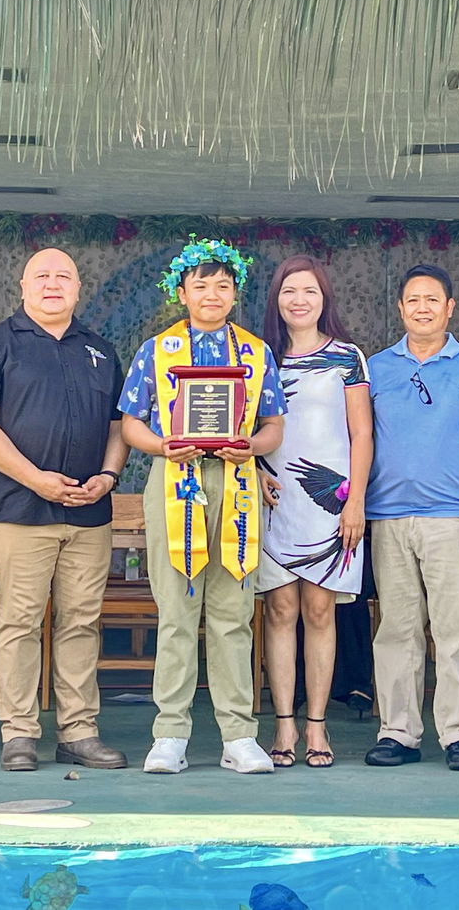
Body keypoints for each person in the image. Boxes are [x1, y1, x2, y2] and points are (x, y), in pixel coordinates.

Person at [0, 248, 130, 773]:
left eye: (63, 276)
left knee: (81, 622)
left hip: (88, 514)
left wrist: (108, 476)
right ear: (23, 285)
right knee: (19, 622)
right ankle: (20, 733)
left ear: (78, 288)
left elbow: (120, 426)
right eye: (42, 276)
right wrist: (37, 481)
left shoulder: (99, 350)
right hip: (17, 511)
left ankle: (79, 731)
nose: (52, 284)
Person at [119, 236, 287, 774]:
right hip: (176, 481)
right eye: (201, 285)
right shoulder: (157, 349)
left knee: (233, 612)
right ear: (182, 292)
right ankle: (170, 732)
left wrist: (253, 448)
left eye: (222, 285)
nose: (212, 293)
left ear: (235, 293)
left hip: (236, 482)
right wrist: (163, 445)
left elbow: (274, 425)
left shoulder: (256, 352)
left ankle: (238, 734)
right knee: (176, 610)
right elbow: (130, 423)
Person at [363, 263, 459, 773]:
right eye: (413, 300)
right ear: (400, 308)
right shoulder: (376, 368)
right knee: (398, 629)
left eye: (432, 300)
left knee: (454, 629)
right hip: (388, 517)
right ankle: (397, 731)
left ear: (450, 308)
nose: (422, 308)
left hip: (452, 518)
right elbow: (358, 442)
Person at [255, 255, 371, 769]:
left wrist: (357, 503)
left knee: (320, 612)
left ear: (325, 298)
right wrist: (254, 468)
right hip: (274, 500)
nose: (298, 300)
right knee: (279, 612)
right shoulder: (259, 357)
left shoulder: (348, 356)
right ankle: (283, 721)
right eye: (288, 291)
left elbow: (363, 433)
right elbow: (244, 426)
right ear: (275, 299)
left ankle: (318, 726)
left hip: (333, 502)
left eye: (309, 291)